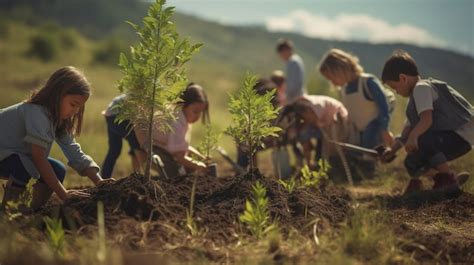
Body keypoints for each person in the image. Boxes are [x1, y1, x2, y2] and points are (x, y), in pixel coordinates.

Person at [0, 66, 115, 211]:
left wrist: (99, 182)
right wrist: (64, 194)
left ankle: (35, 211)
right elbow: (38, 158)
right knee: (22, 165)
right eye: (73, 104)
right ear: (57, 94)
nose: (75, 111)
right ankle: (8, 211)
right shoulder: (36, 113)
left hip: (15, 155)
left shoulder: (57, 119)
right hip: (4, 154)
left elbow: (73, 150)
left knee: (58, 169)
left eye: (78, 107)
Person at [380, 50, 473, 194]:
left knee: (422, 140)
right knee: (411, 161)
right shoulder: (415, 101)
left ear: (403, 78)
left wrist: (414, 137)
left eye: (394, 87)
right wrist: (392, 151)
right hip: (447, 139)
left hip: (460, 136)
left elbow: (426, 120)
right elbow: (407, 131)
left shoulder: (421, 88)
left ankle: (447, 179)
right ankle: (443, 179)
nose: (396, 92)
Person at [319, 49, 396, 150]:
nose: (332, 83)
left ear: (339, 70)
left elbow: (383, 106)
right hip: (359, 129)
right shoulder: (344, 90)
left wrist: (385, 129)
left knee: (369, 140)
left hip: (376, 125)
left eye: (331, 78)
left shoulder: (368, 83)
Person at [135, 83, 209, 178]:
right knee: (173, 174)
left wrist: (200, 157)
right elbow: (180, 157)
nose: (197, 117)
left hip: (158, 143)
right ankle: (155, 180)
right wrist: (199, 166)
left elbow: (181, 145)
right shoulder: (177, 123)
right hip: (146, 142)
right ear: (184, 105)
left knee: (184, 166)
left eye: (200, 112)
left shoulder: (181, 115)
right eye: (195, 112)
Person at [289, 95, 350, 165]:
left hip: (336, 119)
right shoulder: (303, 106)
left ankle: (331, 163)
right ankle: (308, 164)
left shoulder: (317, 106)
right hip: (323, 123)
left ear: (309, 111)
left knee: (331, 146)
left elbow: (319, 121)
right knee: (304, 134)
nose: (307, 120)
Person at [101, 94, 145, 179]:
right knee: (137, 144)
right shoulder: (140, 96)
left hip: (110, 115)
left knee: (114, 150)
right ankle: (141, 176)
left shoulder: (136, 93)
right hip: (118, 116)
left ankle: (104, 178)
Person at [276, 39, 306, 105]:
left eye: (280, 53)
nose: (281, 56)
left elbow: (295, 84)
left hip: (296, 99)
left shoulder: (293, 61)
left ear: (285, 50)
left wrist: (285, 96)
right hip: (296, 97)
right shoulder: (294, 60)